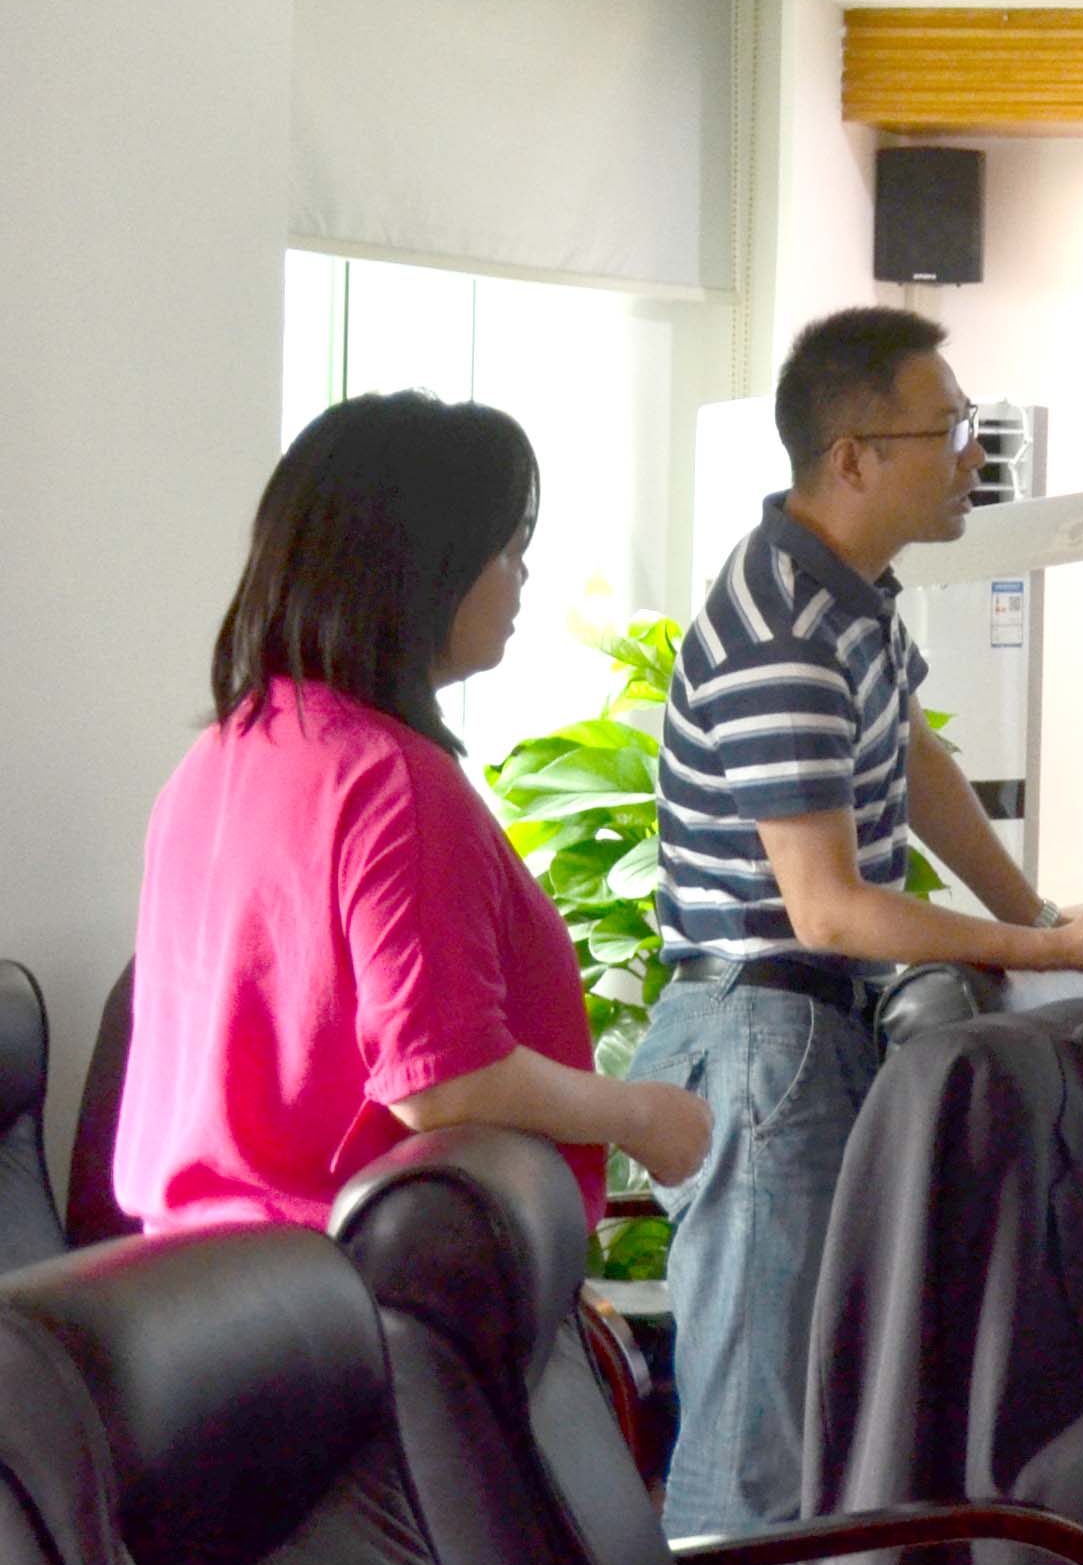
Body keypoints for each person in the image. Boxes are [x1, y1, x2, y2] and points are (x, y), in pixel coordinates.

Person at [636, 308, 1083, 1565]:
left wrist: (1032, 912)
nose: (971, 459)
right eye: (950, 433)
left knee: (821, 1410)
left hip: (815, 1027)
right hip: (763, 1034)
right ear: (854, 457)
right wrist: (1048, 953)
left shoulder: (849, 597)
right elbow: (829, 905)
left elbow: (917, 764)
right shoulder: (779, 625)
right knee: (760, 1430)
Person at [112, 394, 712, 1234]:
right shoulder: (391, 778)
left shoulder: (215, 757)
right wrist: (642, 1115)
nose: (522, 576)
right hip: (346, 1284)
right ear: (420, 563)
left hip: (203, 1278)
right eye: (507, 549)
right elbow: (443, 1079)